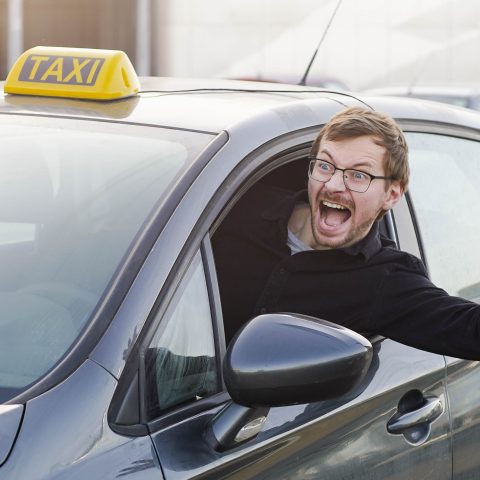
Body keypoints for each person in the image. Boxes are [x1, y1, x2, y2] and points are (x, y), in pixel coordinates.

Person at [212, 106, 480, 359]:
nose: (334, 184)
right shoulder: (236, 210)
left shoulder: (386, 280)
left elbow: (470, 330)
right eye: (325, 166)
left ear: (392, 194)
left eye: (358, 175)